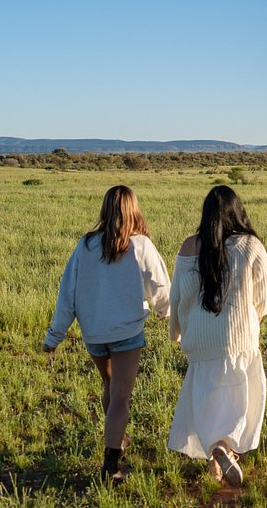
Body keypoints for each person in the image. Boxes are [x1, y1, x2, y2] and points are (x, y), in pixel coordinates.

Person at [43, 185, 171, 483]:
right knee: (120, 397)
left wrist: (54, 336)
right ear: (134, 210)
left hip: (94, 334)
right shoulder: (140, 245)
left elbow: (67, 295)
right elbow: (161, 287)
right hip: (127, 332)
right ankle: (111, 466)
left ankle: (120, 438)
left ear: (105, 210)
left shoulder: (85, 246)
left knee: (111, 389)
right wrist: (167, 315)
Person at [168, 185, 267, 486]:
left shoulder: (188, 247)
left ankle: (216, 454)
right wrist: (253, 319)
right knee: (238, 396)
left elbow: (176, 296)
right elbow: (264, 297)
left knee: (208, 397)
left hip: (200, 341)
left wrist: (177, 331)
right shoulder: (250, 245)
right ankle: (224, 447)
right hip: (239, 336)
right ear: (238, 212)